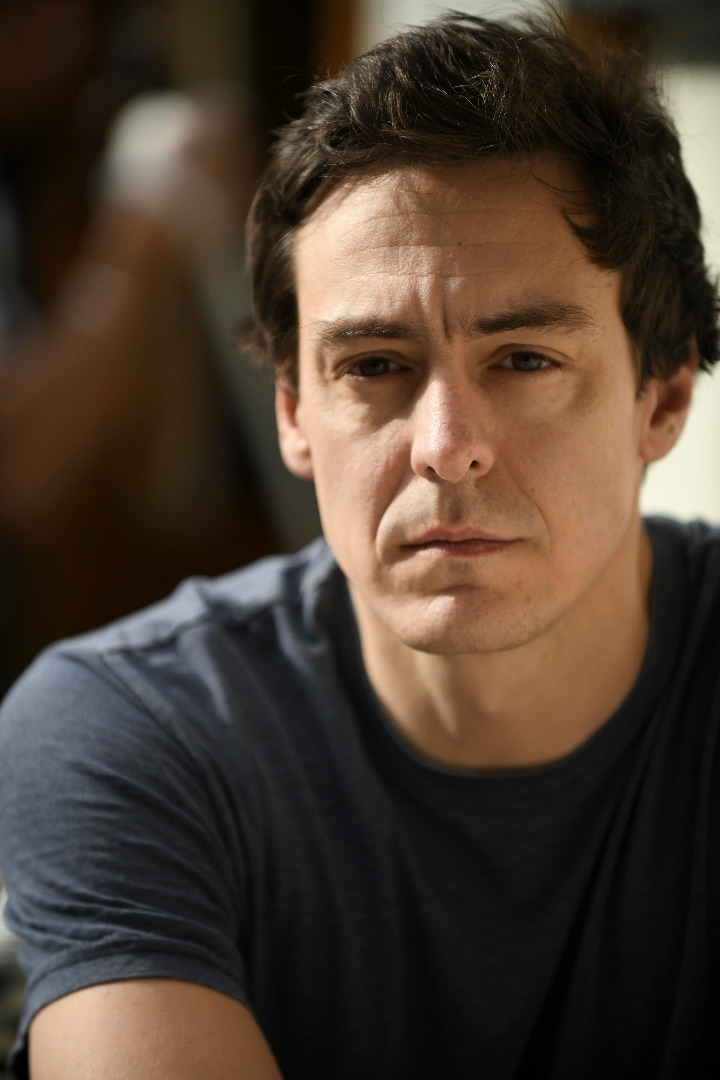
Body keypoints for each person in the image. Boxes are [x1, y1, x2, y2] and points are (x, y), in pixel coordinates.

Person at [0, 10, 718, 1079]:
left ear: (662, 400)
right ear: (295, 413)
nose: (446, 447)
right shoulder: (133, 734)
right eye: (376, 365)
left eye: (525, 359)